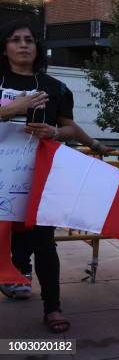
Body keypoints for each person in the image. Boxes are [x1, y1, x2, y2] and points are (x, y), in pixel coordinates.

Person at [0, 21, 82, 333]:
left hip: (37, 183)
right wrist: (12, 109)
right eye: (15, 39)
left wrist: (55, 132)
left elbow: (71, 128)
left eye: (29, 40)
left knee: (45, 245)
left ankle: (53, 308)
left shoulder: (54, 87)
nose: (23, 45)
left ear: (37, 48)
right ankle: (15, 272)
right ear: (5, 46)